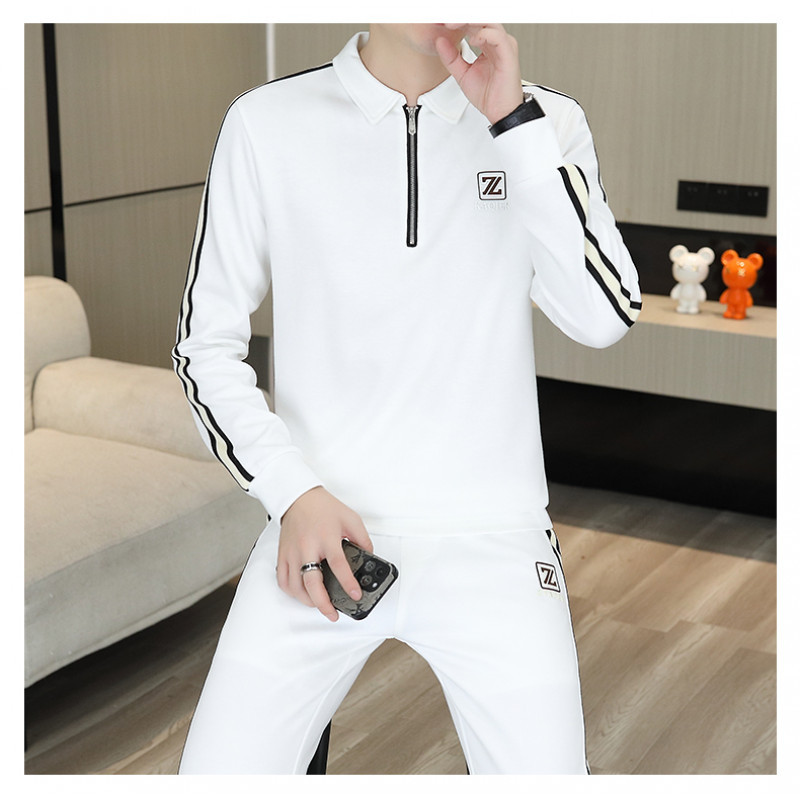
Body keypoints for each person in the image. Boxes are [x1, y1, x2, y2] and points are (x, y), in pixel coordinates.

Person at [172, 23, 641, 775]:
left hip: (496, 538)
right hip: (321, 539)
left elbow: (604, 315)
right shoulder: (265, 122)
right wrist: (292, 493)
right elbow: (204, 348)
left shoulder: (546, 121)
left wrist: (512, 124)